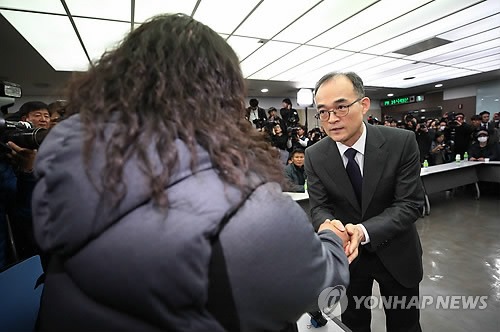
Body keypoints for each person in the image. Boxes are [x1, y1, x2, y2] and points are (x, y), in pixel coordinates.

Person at [31, 14, 350, 331]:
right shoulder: (245, 205)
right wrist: (332, 240)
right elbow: (315, 289)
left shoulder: (67, 162)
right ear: (222, 94)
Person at [305, 72, 424, 332]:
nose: (332, 119)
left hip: (396, 251)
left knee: (405, 324)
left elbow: (410, 204)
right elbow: (319, 206)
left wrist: (362, 231)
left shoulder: (401, 142)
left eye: (341, 107)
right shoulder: (314, 155)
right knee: (354, 324)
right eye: (323, 112)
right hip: (349, 257)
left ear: (364, 105)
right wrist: (328, 227)